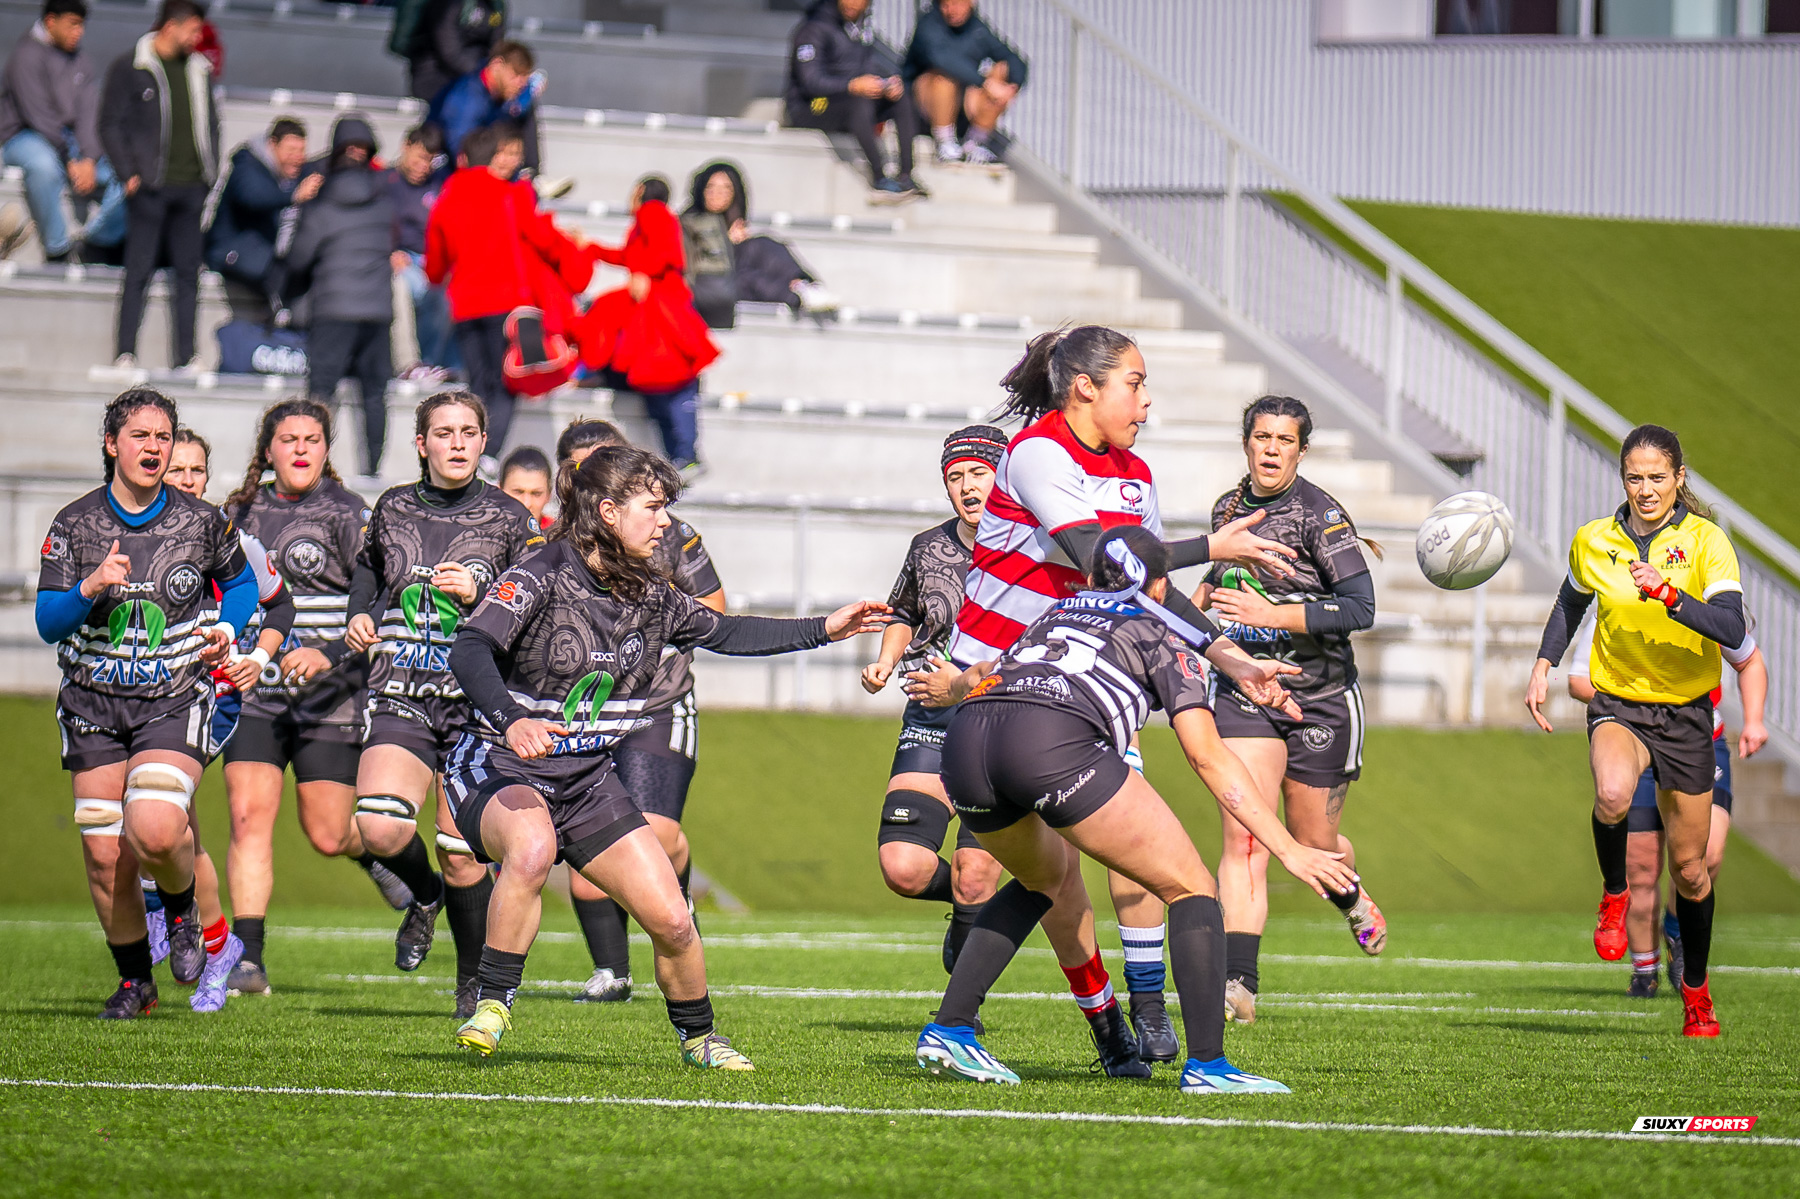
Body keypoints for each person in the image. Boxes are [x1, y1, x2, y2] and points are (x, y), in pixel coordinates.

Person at [911, 325, 1301, 1067]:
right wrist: (1209, 548)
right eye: (1135, 382)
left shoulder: (1136, 474)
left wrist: (1231, 658)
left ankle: (1100, 1020)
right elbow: (1104, 556)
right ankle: (1139, 1031)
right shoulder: (1035, 452)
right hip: (995, 685)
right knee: (1069, 874)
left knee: (1057, 873)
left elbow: (1145, 588)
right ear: (1085, 385)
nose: (1147, 401)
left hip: (1078, 684)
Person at [444, 442, 890, 1062]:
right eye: (652, 509)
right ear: (606, 511)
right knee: (533, 849)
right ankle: (492, 1005)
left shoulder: (651, 593)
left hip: (583, 779)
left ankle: (701, 1038)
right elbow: (469, 649)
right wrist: (512, 719)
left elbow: (728, 631)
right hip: (497, 762)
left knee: (675, 921)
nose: (665, 524)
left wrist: (825, 628)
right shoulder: (541, 572)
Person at [916, 526, 1356, 1091]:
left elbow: (981, 676)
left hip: (968, 740)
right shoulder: (1159, 635)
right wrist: (1289, 849)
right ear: (1160, 584)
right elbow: (1208, 758)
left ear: (1095, 575)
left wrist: (949, 690)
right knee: (1192, 888)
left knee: (1041, 879)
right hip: (1048, 744)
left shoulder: (1055, 611)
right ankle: (1208, 1066)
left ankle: (951, 1028)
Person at [35, 387, 259, 1017]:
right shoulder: (74, 524)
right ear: (111, 445)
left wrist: (228, 626)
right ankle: (136, 982)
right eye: (140, 436)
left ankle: (184, 913)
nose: (154, 448)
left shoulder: (201, 519)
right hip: (93, 704)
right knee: (105, 854)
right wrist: (88, 586)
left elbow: (242, 585)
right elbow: (49, 621)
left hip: (172, 696)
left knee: (156, 828)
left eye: (163, 436)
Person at [1527, 424, 1747, 1038]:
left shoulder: (1707, 542)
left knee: (1691, 871)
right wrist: (1544, 663)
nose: (1645, 489)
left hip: (1685, 714)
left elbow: (1730, 626)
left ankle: (1697, 995)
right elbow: (1571, 603)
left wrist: (1672, 597)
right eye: (1634, 477)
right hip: (1618, 702)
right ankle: (1615, 891)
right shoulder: (1595, 539)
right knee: (1612, 794)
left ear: (1679, 478)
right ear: (1621, 479)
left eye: (1657, 477)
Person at [345, 392, 545, 1017]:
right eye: (443, 432)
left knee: (463, 858)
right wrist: (360, 611)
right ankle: (422, 896)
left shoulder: (512, 518)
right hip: (402, 692)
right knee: (378, 825)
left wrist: (484, 591)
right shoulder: (394, 506)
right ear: (421, 443)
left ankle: (471, 986)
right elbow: (370, 571)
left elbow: (539, 606)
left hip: (476, 710)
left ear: (484, 441)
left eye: (468, 432)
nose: (456, 442)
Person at [1194, 396, 1385, 1026]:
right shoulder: (1228, 510)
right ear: (1246, 442)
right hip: (1251, 692)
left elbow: (1361, 608)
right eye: (1261, 437)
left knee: (1312, 843)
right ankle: (1238, 984)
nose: (1272, 449)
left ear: (1302, 449)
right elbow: (1217, 591)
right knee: (1246, 836)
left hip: (1322, 695)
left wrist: (1271, 614)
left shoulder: (1319, 516)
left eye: (1285, 440)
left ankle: (1351, 892)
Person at [217, 399, 409, 996]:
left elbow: (382, 598)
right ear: (266, 450)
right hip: (255, 695)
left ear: (327, 449)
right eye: (287, 439)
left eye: (312, 439)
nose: (300, 449)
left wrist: (328, 651)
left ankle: (380, 858)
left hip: (333, 696)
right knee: (248, 818)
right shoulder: (235, 514)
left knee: (328, 833)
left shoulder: (352, 514)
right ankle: (249, 958)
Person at [547, 418, 725, 1003]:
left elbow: (716, 613)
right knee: (585, 852)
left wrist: (639, 632)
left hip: (657, 704)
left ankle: (676, 901)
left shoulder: (670, 533)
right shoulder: (548, 550)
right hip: (585, 709)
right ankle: (613, 972)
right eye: (580, 464)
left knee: (653, 835)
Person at [157, 425, 294, 1011]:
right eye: (175, 471)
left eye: (196, 471)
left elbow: (279, 602)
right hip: (139, 697)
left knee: (163, 819)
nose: (187, 481)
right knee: (168, 830)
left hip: (208, 700)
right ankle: (214, 941)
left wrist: (256, 657)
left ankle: (192, 929)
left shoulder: (228, 537)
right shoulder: (127, 534)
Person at [861, 426, 1006, 972]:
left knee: (976, 869)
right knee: (903, 866)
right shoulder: (929, 547)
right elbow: (904, 611)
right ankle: (979, 907)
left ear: (1005, 476)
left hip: (1003, 726)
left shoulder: (1035, 550)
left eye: (979, 473)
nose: (968, 487)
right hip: (932, 718)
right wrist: (887, 660)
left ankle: (959, 1019)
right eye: (955, 477)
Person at [1565, 610, 1768, 997]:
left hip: (1697, 740)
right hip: (1634, 738)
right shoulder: (1615, 600)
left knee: (1705, 856)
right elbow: (1578, 680)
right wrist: (1642, 703)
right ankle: (1645, 971)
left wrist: (1754, 720)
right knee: (1641, 863)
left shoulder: (1695, 601)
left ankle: (1676, 930)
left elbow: (1747, 657)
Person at [425, 122, 579, 468]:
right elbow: (539, 237)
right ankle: (489, 454)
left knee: (477, 381)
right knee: (508, 380)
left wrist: (437, 277)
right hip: (506, 301)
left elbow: (435, 260)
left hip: (465, 304)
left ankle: (472, 451)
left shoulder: (447, 197)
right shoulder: (511, 194)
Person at [99, 0, 220, 372]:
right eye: (193, 30)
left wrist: (209, 172)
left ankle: (186, 356)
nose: (197, 38)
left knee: (188, 274)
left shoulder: (199, 70)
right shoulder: (132, 66)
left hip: (191, 187)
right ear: (172, 26)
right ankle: (125, 353)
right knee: (138, 270)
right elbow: (110, 124)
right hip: (150, 187)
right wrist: (129, 173)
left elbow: (211, 123)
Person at [577, 176, 718, 474]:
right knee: (667, 389)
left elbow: (665, 255)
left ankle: (684, 454)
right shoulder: (655, 218)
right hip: (661, 313)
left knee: (669, 383)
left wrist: (642, 272)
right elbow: (633, 256)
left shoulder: (651, 212)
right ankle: (682, 455)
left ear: (640, 192)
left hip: (661, 317)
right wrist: (594, 249)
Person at [282, 116, 396, 477]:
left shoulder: (322, 207)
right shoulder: (384, 206)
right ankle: (372, 472)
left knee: (321, 395)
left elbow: (298, 258)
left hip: (333, 311)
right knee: (375, 395)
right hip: (377, 312)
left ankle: (311, 470)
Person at [0, 0, 128, 263]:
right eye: (73, 24)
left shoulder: (80, 60)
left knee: (125, 173)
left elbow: (89, 113)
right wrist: (71, 159)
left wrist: (90, 158)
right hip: (22, 136)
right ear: (50, 21)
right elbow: (38, 116)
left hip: (69, 142)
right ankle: (57, 248)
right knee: (44, 168)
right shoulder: (25, 56)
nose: (78, 32)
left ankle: (94, 243)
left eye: (81, 25)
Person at [785, 0, 923, 202]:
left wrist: (885, 84)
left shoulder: (860, 32)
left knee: (900, 98)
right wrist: (852, 85)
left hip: (849, 103)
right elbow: (811, 82)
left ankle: (906, 175)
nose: (853, 3)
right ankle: (879, 178)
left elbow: (864, 71)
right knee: (858, 103)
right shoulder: (813, 29)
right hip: (811, 107)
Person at [680, 160, 834, 329]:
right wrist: (726, 242)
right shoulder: (690, 220)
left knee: (762, 243)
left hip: (732, 273)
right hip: (709, 283)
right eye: (711, 187)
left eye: (726, 189)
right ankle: (796, 296)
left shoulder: (734, 221)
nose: (717, 194)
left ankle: (802, 283)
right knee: (749, 278)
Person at [204, 117, 315, 303]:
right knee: (282, 280)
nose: (297, 158)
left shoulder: (291, 174)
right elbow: (253, 196)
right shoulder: (246, 166)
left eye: (301, 151)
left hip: (262, 256)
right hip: (230, 254)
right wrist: (294, 196)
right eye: (291, 150)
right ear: (273, 144)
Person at [902, 0, 1026, 166]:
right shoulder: (929, 24)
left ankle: (975, 143)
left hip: (962, 104)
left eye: (958, 4)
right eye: (946, 4)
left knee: (1001, 70)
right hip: (923, 104)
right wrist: (986, 84)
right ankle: (944, 142)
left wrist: (1011, 87)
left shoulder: (977, 28)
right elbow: (942, 58)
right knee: (944, 78)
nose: (951, 10)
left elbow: (1013, 59)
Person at [387, 124, 455, 378]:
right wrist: (389, 252)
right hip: (398, 259)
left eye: (429, 160)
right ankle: (407, 364)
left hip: (433, 261)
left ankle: (432, 364)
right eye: (419, 157)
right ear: (405, 148)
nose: (422, 166)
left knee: (444, 295)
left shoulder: (439, 184)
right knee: (400, 287)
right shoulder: (385, 182)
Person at [425, 40, 540, 169]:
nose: (521, 83)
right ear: (497, 64)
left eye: (525, 77)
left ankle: (531, 173)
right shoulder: (468, 98)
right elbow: (462, 157)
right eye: (516, 74)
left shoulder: (503, 92)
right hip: (448, 171)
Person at [405, 0, 505, 106]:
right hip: (436, 78)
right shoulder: (448, 4)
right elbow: (449, 51)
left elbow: (496, 46)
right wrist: (481, 74)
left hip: (472, 80)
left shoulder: (495, 6)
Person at [499, 445, 552, 528]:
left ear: (548, 495)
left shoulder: (560, 537)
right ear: (499, 491)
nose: (527, 504)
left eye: (536, 494)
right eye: (518, 492)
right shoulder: (480, 533)